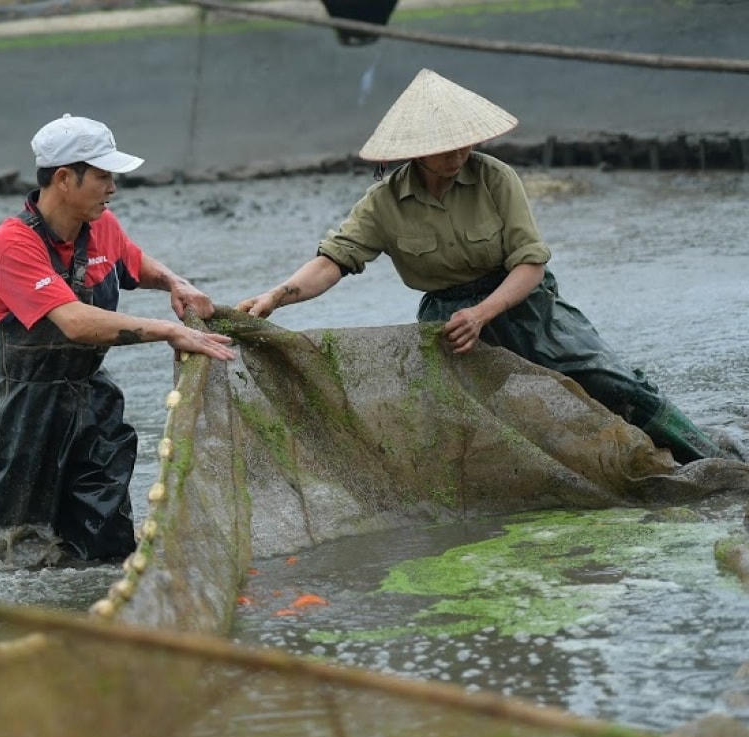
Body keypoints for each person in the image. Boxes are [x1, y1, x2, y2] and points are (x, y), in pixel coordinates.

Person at [237, 68, 723, 464]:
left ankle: (711, 463)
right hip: (448, 322)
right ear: (415, 150)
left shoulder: (495, 178)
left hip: (527, 308)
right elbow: (333, 262)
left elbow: (530, 264)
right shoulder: (383, 203)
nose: (458, 153)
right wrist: (278, 296)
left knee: (614, 383)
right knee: (447, 422)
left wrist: (484, 313)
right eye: (445, 145)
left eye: (464, 142)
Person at [0, 114, 235, 562]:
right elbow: (75, 322)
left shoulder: (102, 226)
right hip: (27, 408)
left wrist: (176, 283)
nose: (112, 187)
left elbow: (132, 262)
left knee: (107, 537)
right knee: (15, 544)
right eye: (102, 176)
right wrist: (171, 330)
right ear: (63, 179)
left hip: (92, 396)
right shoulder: (13, 244)